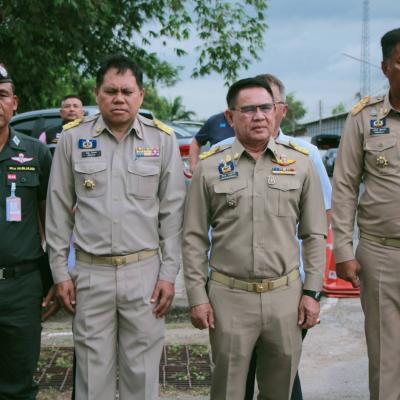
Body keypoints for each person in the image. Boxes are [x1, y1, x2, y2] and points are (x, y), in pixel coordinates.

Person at [46, 54, 186, 400]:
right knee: (92, 378)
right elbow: (58, 211)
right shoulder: (73, 139)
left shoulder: (162, 140)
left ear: (141, 95)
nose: (119, 98)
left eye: (127, 91)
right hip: (91, 274)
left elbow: (172, 214)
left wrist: (169, 274)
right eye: (111, 91)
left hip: (144, 273)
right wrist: (60, 273)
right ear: (97, 94)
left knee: (142, 375)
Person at [183, 77, 327, 400]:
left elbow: (315, 234)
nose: (259, 116)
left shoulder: (301, 163)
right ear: (230, 116)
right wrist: (197, 296)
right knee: (229, 391)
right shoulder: (209, 167)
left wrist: (312, 292)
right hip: (229, 297)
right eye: (248, 109)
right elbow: (193, 237)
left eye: (265, 107)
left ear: (276, 111)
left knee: (281, 390)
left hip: (286, 297)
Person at [332, 27, 400, 400]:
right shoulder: (364, 117)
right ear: (386, 67)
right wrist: (343, 250)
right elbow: (344, 185)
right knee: (386, 358)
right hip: (381, 253)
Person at [0, 63, 57, 399]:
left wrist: (55, 275)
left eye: (2, 95)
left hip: (21, 286)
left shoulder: (35, 153)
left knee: (19, 382)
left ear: (14, 102)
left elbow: (51, 218)